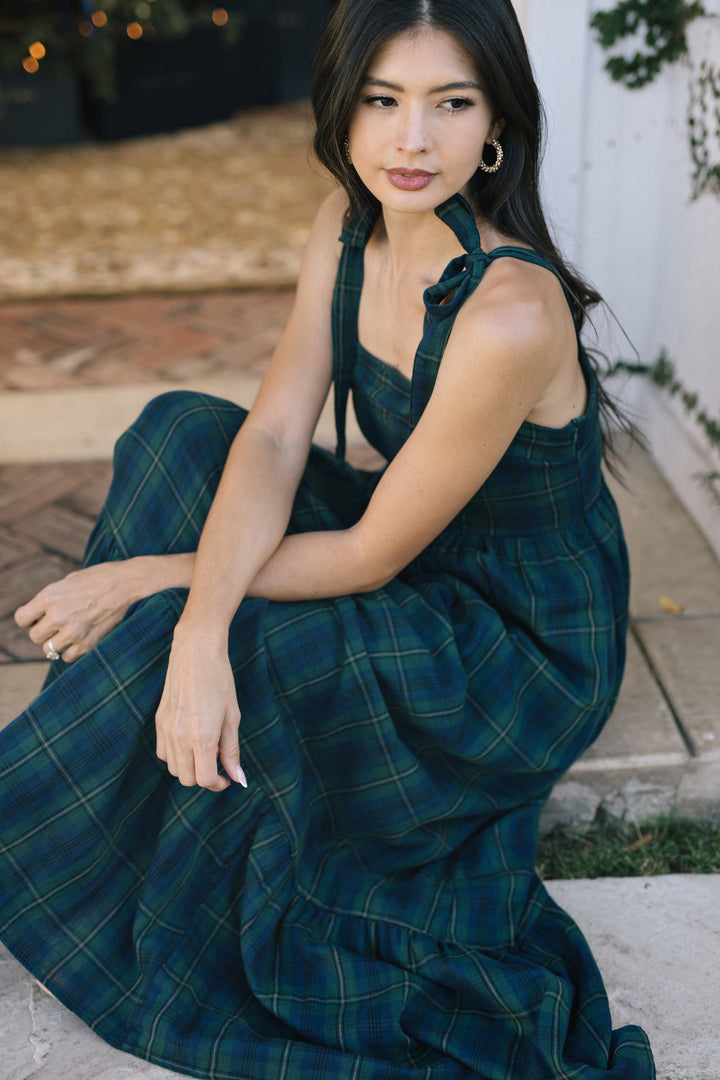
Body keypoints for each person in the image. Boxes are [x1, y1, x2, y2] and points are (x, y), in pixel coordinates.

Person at [0, 0, 655, 1076]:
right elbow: (268, 435)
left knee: (236, 636)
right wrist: (192, 618)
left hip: (507, 641)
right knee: (181, 439)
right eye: (383, 101)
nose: (411, 140)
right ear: (341, 113)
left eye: (451, 104)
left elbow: (367, 561)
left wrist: (174, 599)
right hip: (405, 539)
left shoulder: (507, 315)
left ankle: (70, 806)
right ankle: (134, 757)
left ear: (494, 124)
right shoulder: (344, 228)